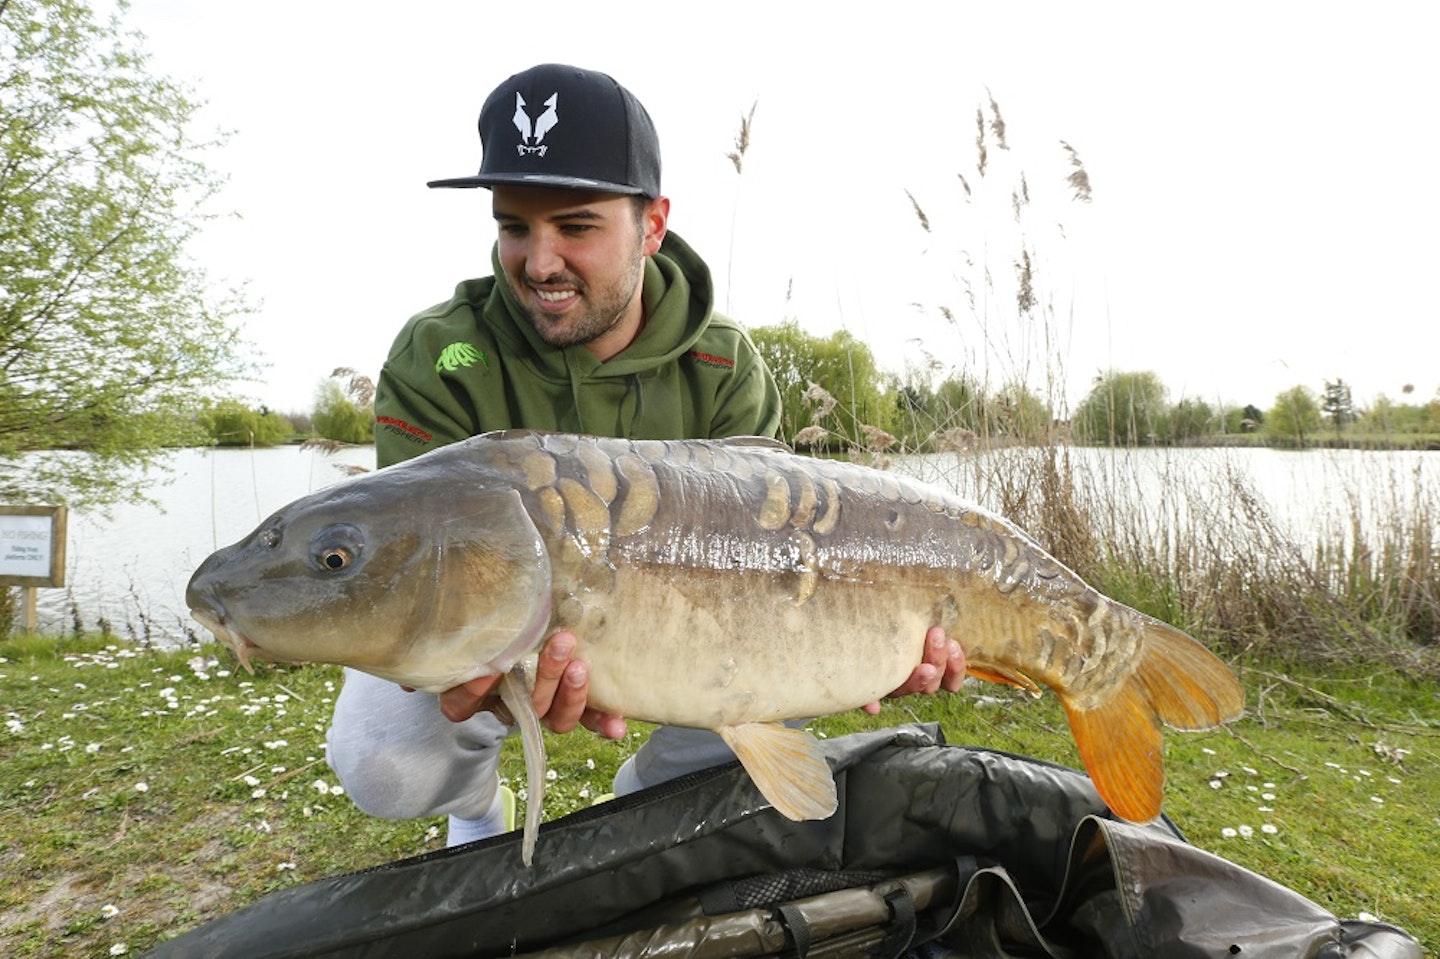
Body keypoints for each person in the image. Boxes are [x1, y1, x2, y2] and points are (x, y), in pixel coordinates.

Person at [326, 63, 967, 847]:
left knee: (800, 659)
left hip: (692, 624)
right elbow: (401, 562)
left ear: (653, 225)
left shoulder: (725, 364)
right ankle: (473, 808)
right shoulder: (438, 353)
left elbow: (783, 565)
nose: (540, 260)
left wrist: (878, 647)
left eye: (577, 225)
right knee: (382, 754)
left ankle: (649, 805)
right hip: (497, 625)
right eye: (515, 226)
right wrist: (493, 677)